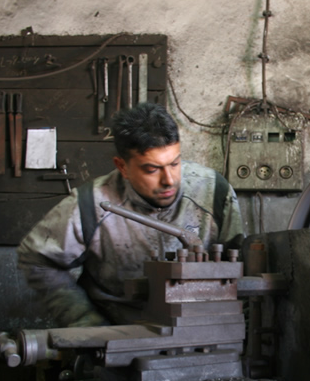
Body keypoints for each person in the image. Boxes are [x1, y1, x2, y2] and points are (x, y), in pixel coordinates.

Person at [18, 103, 244, 327]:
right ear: (122, 166)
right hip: (121, 334)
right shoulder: (91, 204)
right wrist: (84, 320)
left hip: (199, 331)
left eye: (175, 163)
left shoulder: (214, 192)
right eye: (152, 169)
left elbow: (240, 268)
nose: (169, 180)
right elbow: (38, 259)